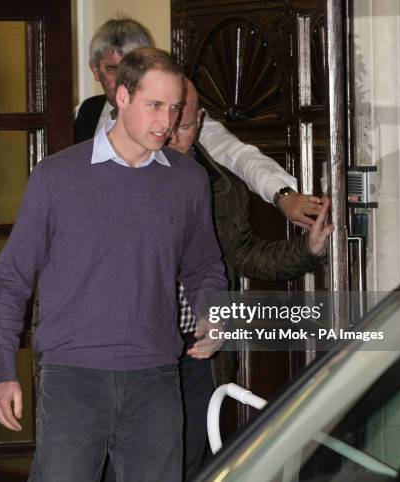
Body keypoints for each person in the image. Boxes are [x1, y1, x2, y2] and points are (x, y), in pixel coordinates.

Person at [0, 48, 226, 482]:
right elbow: (10, 279)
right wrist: (2, 371)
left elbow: (204, 265)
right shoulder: (57, 177)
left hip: (157, 381)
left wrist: (213, 314)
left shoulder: (187, 180)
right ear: (123, 95)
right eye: (155, 105)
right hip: (74, 381)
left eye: (174, 109)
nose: (166, 122)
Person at [170, 79, 334, 480]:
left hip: (197, 353)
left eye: (184, 126)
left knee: (192, 463)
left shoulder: (220, 189)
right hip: (134, 352)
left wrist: (308, 250)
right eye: (167, 122)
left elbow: (244, 256)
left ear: (201, 123)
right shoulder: (117, 175)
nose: (172, 136)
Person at [75, 17, 323, 230]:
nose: (122, 79)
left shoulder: (178, 114)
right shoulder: (85, 114)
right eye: (112, 69)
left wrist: (283, 195)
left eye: (132, 67)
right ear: (94, 70)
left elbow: (239, 156)